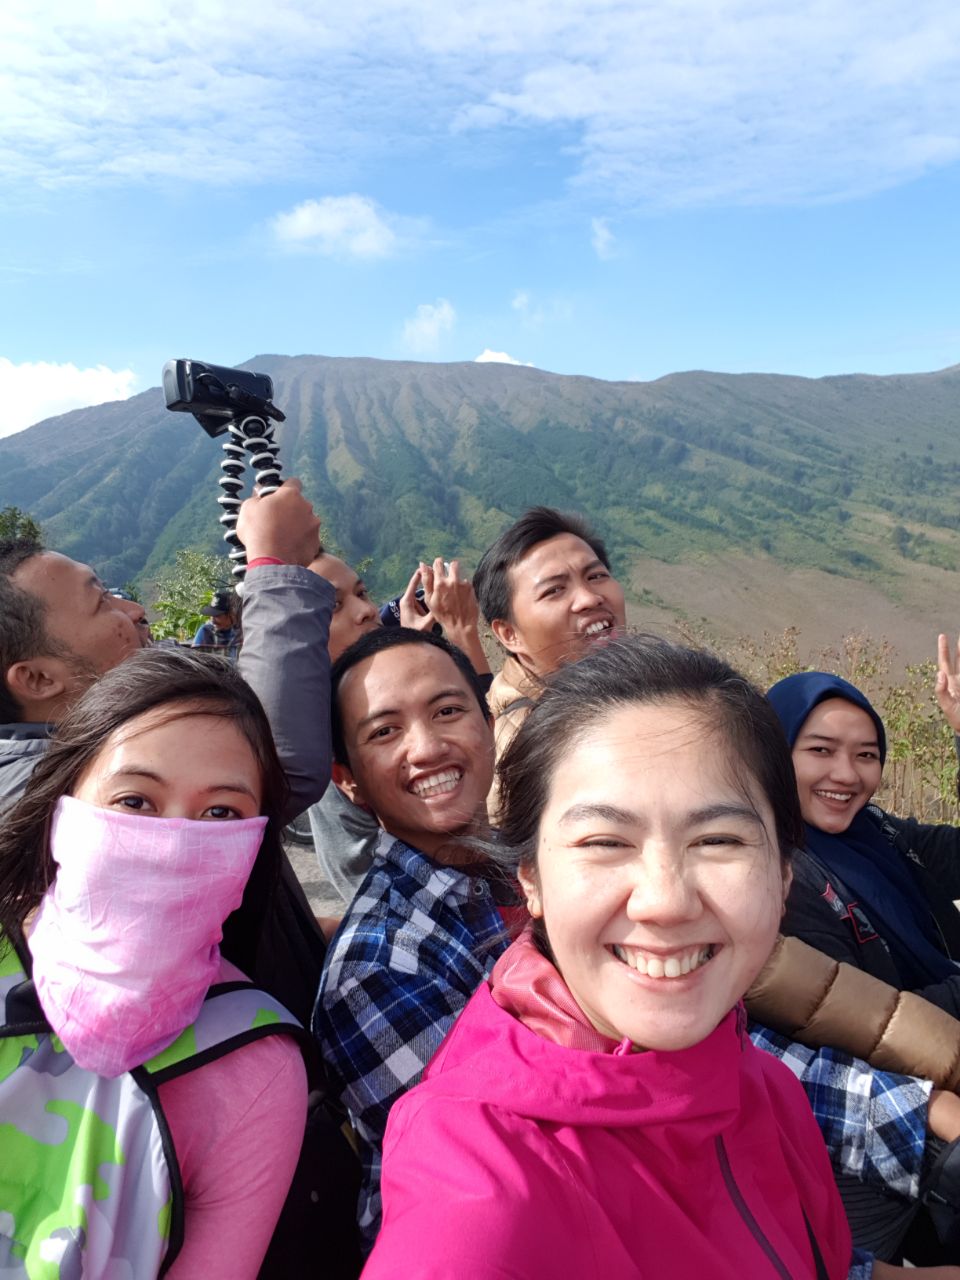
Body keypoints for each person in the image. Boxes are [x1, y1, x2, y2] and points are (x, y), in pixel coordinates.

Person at [364, 636, 960, 1280]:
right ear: (530, 880)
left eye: (718, 839)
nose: (666, 902)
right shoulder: (479, 1190)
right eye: (605, 841)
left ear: (784, 875)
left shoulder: (767, 1091)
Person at [0, 648, 310, 1278]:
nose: (172, 845)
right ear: (63, 806)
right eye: (135, 801)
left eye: (220, 813)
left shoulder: (253, 1061)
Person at [313, 626, 517, 1249]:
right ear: (347, 780)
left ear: (486, 724)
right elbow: (516, 1157)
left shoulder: (535, 864)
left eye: (448, 711)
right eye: (385, 731)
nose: (427, 748)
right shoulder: (379, 967)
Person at [768, 653, 960, 1015]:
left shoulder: (876, 831)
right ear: (773, 754)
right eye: (821, 750)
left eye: (866, 755)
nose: (846, 775)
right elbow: (860, 1021)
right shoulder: (780, 880)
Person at [305, 549, 492, 904]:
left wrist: (413, 653)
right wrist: (460, 630)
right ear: (345, 777)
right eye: (333, 606)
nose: (367, 611)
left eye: (361, 594)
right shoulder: (321, 741)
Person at [473, 505, 627, 767]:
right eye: (554, 590)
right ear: (509, 634)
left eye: (597, 575)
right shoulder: (520, 756)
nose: (589, 598)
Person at [192, 588, 241, 654]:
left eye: (217, 616)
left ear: (232, 613)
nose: (213, 620)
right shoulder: (206, 632)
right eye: (211, 615)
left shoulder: (242, 634)